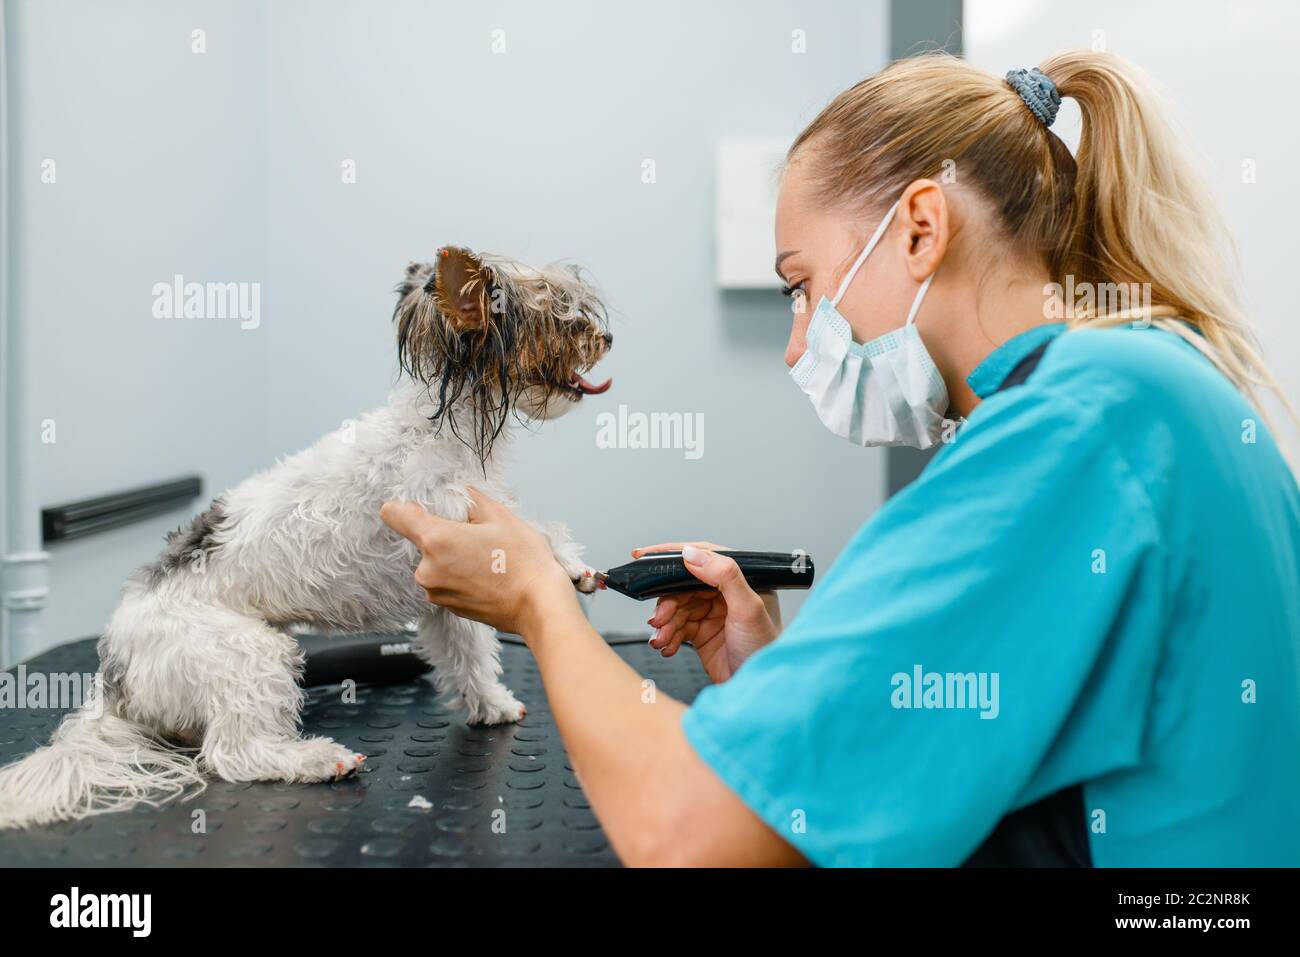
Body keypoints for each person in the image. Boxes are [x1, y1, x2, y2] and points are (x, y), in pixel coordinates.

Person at [380, 50, 1300, 866]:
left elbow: (689, 833)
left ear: (921, 229)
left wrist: (537, 598)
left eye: (802, 285)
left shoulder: (1070, 439)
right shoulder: (1151, 386)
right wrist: (778, 687)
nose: (797, 345)